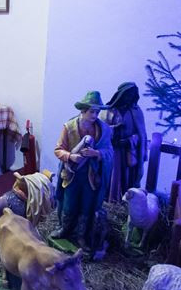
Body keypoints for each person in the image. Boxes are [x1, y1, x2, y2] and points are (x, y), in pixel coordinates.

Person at [49, 91, 113, 251]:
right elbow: (58, 149)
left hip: (91, 176)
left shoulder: (103, 130)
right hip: (72, 175)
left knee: (87, 206)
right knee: (69, 204)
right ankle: (64, 229)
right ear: (83, 111)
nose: (95, 115)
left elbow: (109, 151)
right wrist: (70, 156)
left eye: (97, 112)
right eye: (92, 111)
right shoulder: (69, 127)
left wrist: (96, 153)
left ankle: (81, 236)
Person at [101, 82, 148, 202]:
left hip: (129, 152)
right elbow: (101, 131)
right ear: (120, 94)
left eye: (132, 95)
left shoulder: (136, 111)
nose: (129, 97)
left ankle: (127, 201)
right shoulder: (108, 111)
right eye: (127, 94)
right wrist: (113, 130)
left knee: (128, 176)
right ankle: (110, 200)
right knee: (113, 175)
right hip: (113, 151)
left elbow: (141, 135)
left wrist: (129, 141)